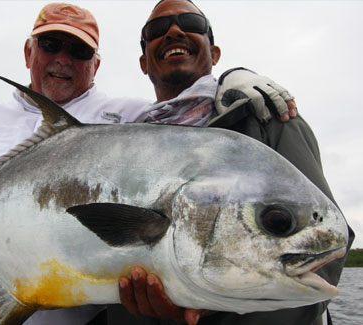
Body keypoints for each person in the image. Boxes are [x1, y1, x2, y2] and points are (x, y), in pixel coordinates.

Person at [0, 2, 299, 324]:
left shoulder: (131, 120)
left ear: (95, 65)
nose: (63, 57)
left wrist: (238, 78)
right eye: (51, 44)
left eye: (78, 50)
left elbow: (192, 106)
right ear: (28, 51)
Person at [109, 1, 355, 325]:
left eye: (190, 22)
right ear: (143, 62)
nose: (174, 31)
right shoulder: (121, 144)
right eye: (157, 30)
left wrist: (201, 313)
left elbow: (321, 258)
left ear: (215, 52)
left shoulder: (270, 115)